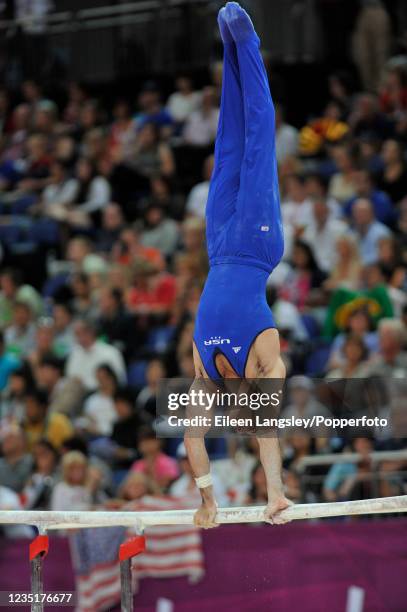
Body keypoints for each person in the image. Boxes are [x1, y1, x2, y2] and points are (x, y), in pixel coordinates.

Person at [186, 3, 291, 529]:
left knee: (227, 146)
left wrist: (208, 499)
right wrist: (275, 493)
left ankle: (226, 44)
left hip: (217, 244)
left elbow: (191, 437)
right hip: (255, 245)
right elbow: (269, 433)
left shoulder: (206, 378)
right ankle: (247, 41)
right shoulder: (263, 364)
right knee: (257, 142)